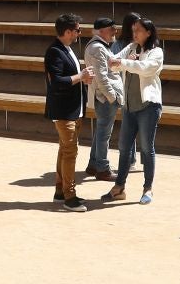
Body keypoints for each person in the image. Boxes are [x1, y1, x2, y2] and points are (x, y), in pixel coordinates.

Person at [106, 17, 165, 204]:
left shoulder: (156, 52)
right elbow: (114, 63)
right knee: (124, 147)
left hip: (148, 107)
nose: (135, 33)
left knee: (147, 148)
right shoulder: (131, 47)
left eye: (138, 30)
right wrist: (123, 62)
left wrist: (125, 63)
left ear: (148, 32)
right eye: (133, 30)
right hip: (129, 106)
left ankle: (148, 189)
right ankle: (119, 187)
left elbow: (146, 69)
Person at [44, 12, 90, 211]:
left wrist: (82, 78)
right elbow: (56, 82)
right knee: (70, 151)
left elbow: (70, 77)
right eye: (77, 30)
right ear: (68, 31)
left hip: (73, 108)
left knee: (65, 149)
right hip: (64, 110)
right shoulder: (55, 51)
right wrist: (80, 76)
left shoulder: (67, 49)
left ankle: (59, 191)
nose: (79, 33)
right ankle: (70, 197)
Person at [81, 17, 122, 183]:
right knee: (104, 134)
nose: (115, 31)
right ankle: (103, 169)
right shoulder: (98, 48)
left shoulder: (98, 46)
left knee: (100, 132)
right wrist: (112, 97)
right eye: (112, 28)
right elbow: (102, 77)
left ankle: (93, 165)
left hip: (102, 96)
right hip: (105, 98)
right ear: (102, 30)